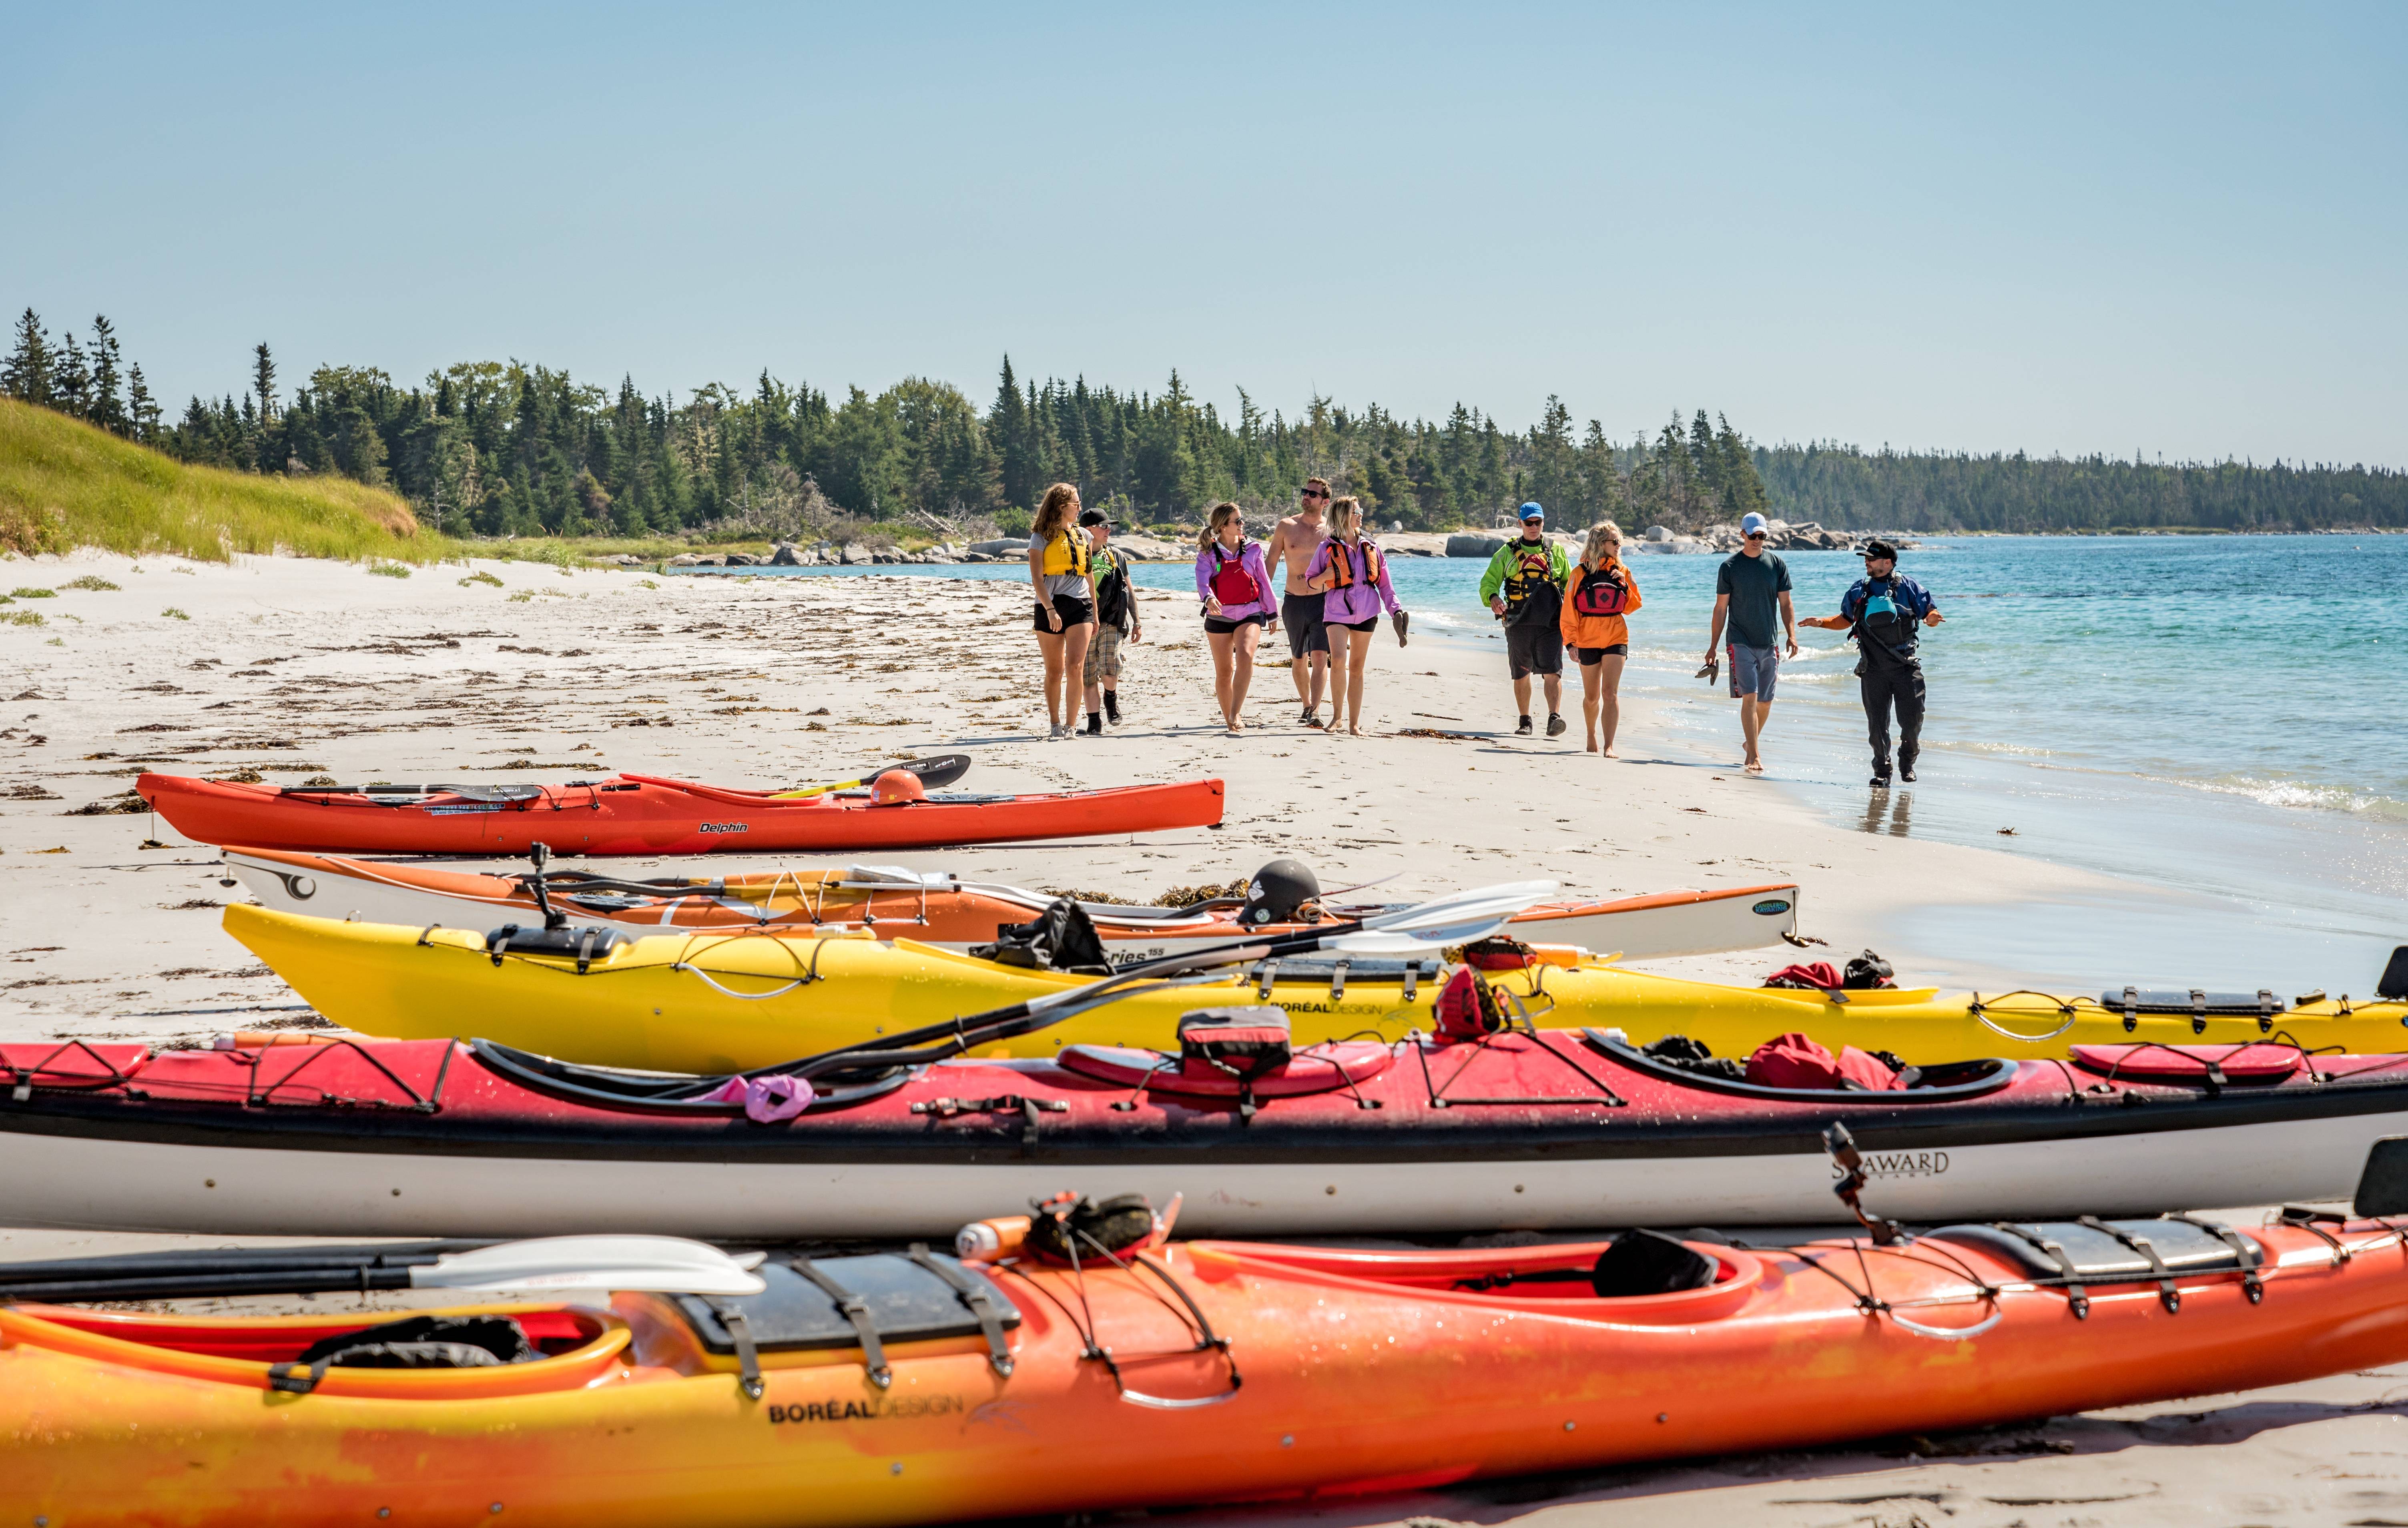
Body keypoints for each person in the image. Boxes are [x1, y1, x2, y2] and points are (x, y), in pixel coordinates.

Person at [1804, 538, 1943, 787]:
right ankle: (1882, 771)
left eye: (1871, 558)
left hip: (1906, 666)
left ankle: (1907, 760)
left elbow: (1929, 612)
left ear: (1887, 562)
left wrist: (1932, 619)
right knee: (1877, 727)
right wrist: (1821, 622)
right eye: (1865, 558)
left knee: (1913, 723)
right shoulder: (1860, 589)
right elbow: (1845, 620)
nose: (1866, 562)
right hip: (1873, 668)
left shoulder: (1909, 586)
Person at [1703, 511, 1797, 775]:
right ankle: (1754, 755)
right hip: (1739, 641)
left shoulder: (1777, 565)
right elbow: (1721, 609)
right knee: (1751, 697)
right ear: (1742, 535)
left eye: (1762, 536)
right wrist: (1713, 646)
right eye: (1752, 535)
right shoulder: (1730, 568)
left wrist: (1791, 634)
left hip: (1769, 641)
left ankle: (1750, 742)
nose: (1757, 540)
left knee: (1766, 701)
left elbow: (1786, 604)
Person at [1301, 495, 1404, 736]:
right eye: (1357, 511)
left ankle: (1354, 724)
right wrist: (1326, 575)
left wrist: (1396, 610)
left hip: (1368, 611)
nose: (1361, 515)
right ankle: (1337, 717)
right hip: (1337, 611)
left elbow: (1386, 586)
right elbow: (1311, 582)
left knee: (1357, 667)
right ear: (1343, 516)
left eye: (1361, 511)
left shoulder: (1372, 547)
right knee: (1338, 660)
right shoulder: (1326, 547)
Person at [1477, 502, 1572, 736]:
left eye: (1537, 522)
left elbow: (1570, 585)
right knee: (1522, 673)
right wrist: (1493, 599)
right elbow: (1488, 582)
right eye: (1528, 523)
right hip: (1518, 621)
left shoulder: (1556, 551)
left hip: (1551, 623)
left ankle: (1554, 718)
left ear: (1543, 523)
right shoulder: (1507, 552)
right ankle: (1525, 721)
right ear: (1520, 523)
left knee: (1553, 672)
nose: (1533, 527)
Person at [1192, 501, 1279, 734]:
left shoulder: (1254, 549)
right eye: (1237, 521)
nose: (1243, 524)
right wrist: (1209, 599)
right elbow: (1202, 581)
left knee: (1246, 656)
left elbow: (1264, 582)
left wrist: (1272, 613)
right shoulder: (1208, 553)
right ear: (1222, 527)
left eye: (1242, 520)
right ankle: (1229, 718)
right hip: (1218, 616)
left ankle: (1236, 712)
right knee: (1224, 671)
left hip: (1250, 612)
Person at [1558, 519, 1642, 756]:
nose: (1619, 546)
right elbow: (1569, 611)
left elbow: (1633, 607)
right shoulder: (1579, 574)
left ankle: (1609, 746)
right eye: (1615, 542)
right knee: (1592, 697)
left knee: (1610, 693)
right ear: (1600, 543)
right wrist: (1571, 643)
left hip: (1617, 636)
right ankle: (1591, 734)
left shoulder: (1623, 572)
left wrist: (1624, 586)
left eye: (1620, 542)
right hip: (1587, 639)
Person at [1025, 482, 1098, 741]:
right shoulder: (1040, 537)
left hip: (1081, 605)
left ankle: (1070, 726)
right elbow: (1036, 579)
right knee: (1055, 671)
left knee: (1076, 666)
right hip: (1050, 605)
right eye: (1076, 504)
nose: (1080, 508)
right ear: (1061, 506)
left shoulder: (1085, 537)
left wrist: (1096, 615)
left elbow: (1089, 576)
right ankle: (1055, 723)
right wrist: (1050, 609)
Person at [1264, 478, 1332, 727]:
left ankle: (1315, 710)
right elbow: (1270, 564)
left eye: (1312, 494)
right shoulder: (1286, 526)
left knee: (1320, 656)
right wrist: (1264, 599)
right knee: (1299, 658)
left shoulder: (1331, 530)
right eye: (1305, 492)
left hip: (1324, 601)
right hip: (1293, 601)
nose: (1306, 497)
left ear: (1325, 501)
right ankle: (1306, 705)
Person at [1080, 507, 1143, 735]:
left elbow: (1129, 588)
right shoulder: (1076, 554)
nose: (1109, 530)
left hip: (1111, 619)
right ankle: (1094, 721)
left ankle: (1111, 698)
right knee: (1087, 675)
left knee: (1111, 664)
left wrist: (1137, 620)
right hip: (1083, 620)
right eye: (1104, 526)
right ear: (1089, 530)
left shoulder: (1115, 555)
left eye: (1110, 526)